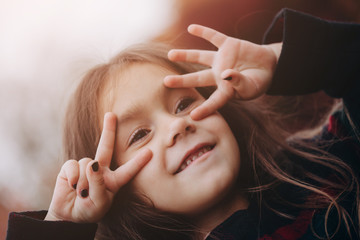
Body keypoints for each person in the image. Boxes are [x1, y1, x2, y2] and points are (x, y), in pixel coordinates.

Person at [6, 8, 360, 240]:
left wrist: (284, 59)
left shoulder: (324, 170)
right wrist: (62, 227)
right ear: (109, 187)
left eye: (184, 103)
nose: (178, 126)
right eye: (141, 134)